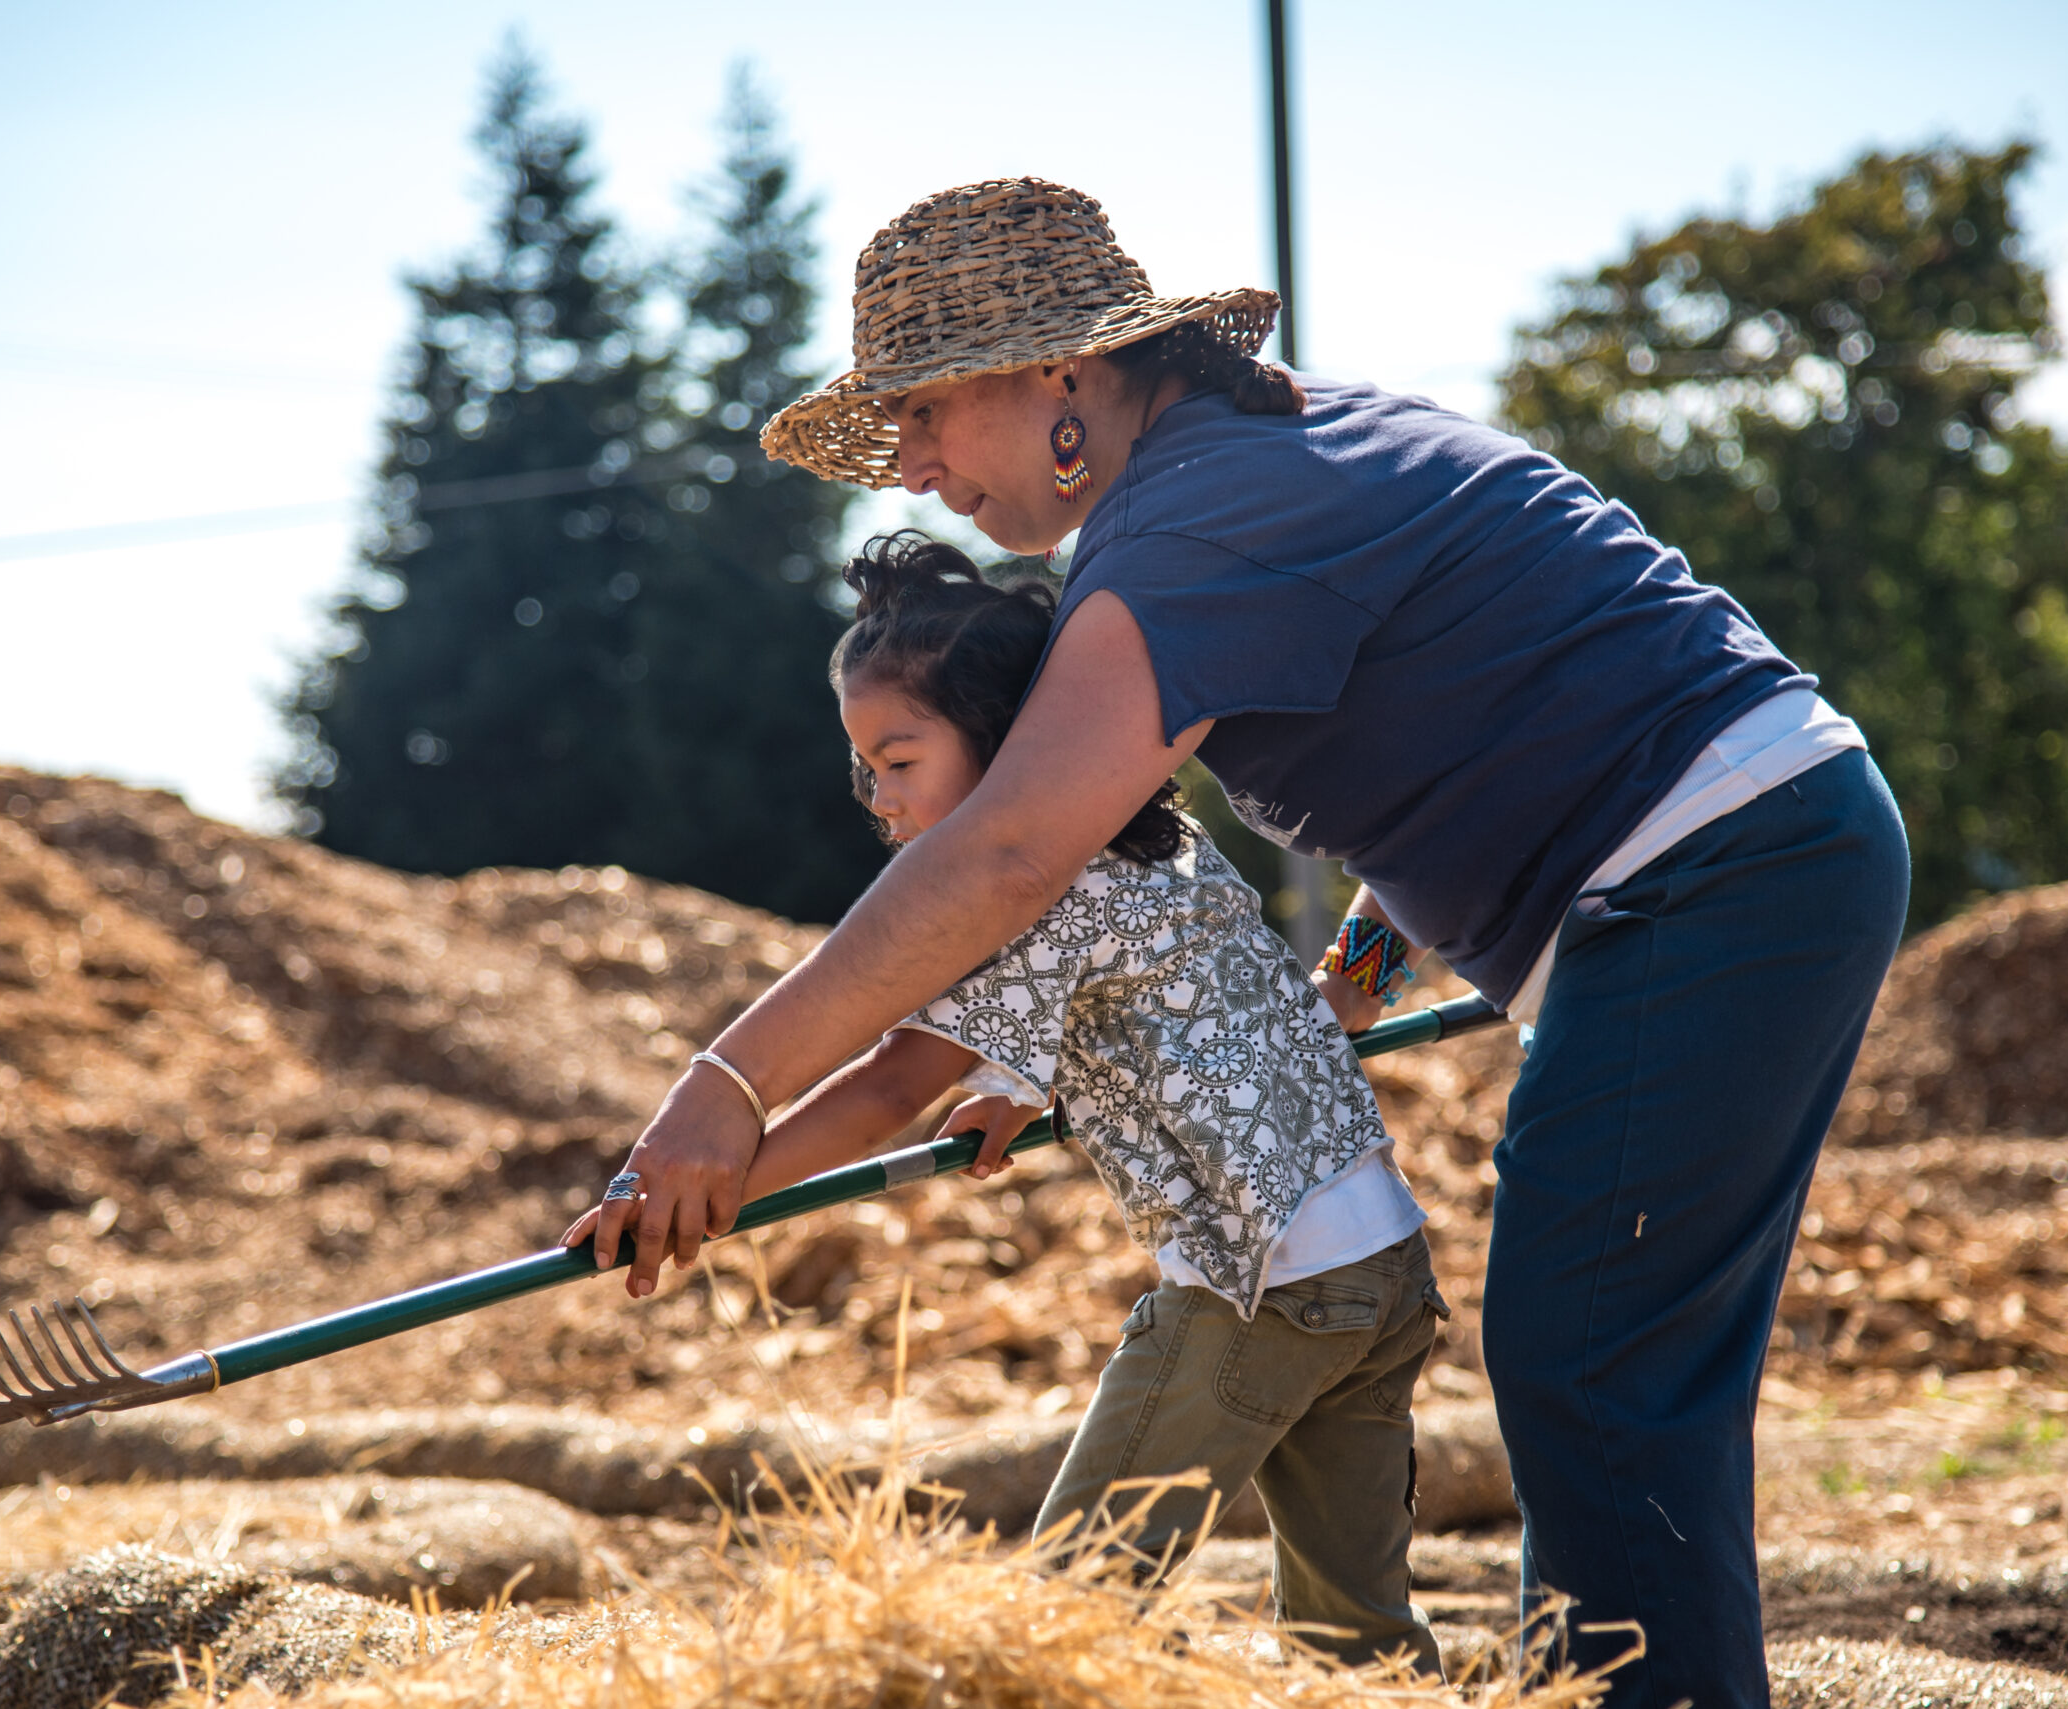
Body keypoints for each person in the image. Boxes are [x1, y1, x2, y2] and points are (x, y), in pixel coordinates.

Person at [580, 178, 1910, 1707]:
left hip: (1714, 871)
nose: (913, 466)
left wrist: (726, 1086)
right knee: (1608, 1367)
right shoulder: (1250, 464)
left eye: (931, 411)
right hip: (1739, 854)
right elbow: (1466, 734)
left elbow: (1008, 850)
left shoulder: (1188, 528)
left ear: (1060, 372)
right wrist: (1357, 976)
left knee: (1594, 1365)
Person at [575, 532, 1447, 1671]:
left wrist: (709, 1194)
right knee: (1358, 1637)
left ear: (1004, 744)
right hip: (1379, 1270)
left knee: (1057, 1622)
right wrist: (1022, 1079)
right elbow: (1162, 993)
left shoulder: (1020, 884)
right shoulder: (1160, 836)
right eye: (863, 767)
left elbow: (892, 1078)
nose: (875, 796)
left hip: (1263, 1286)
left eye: (899, 758)